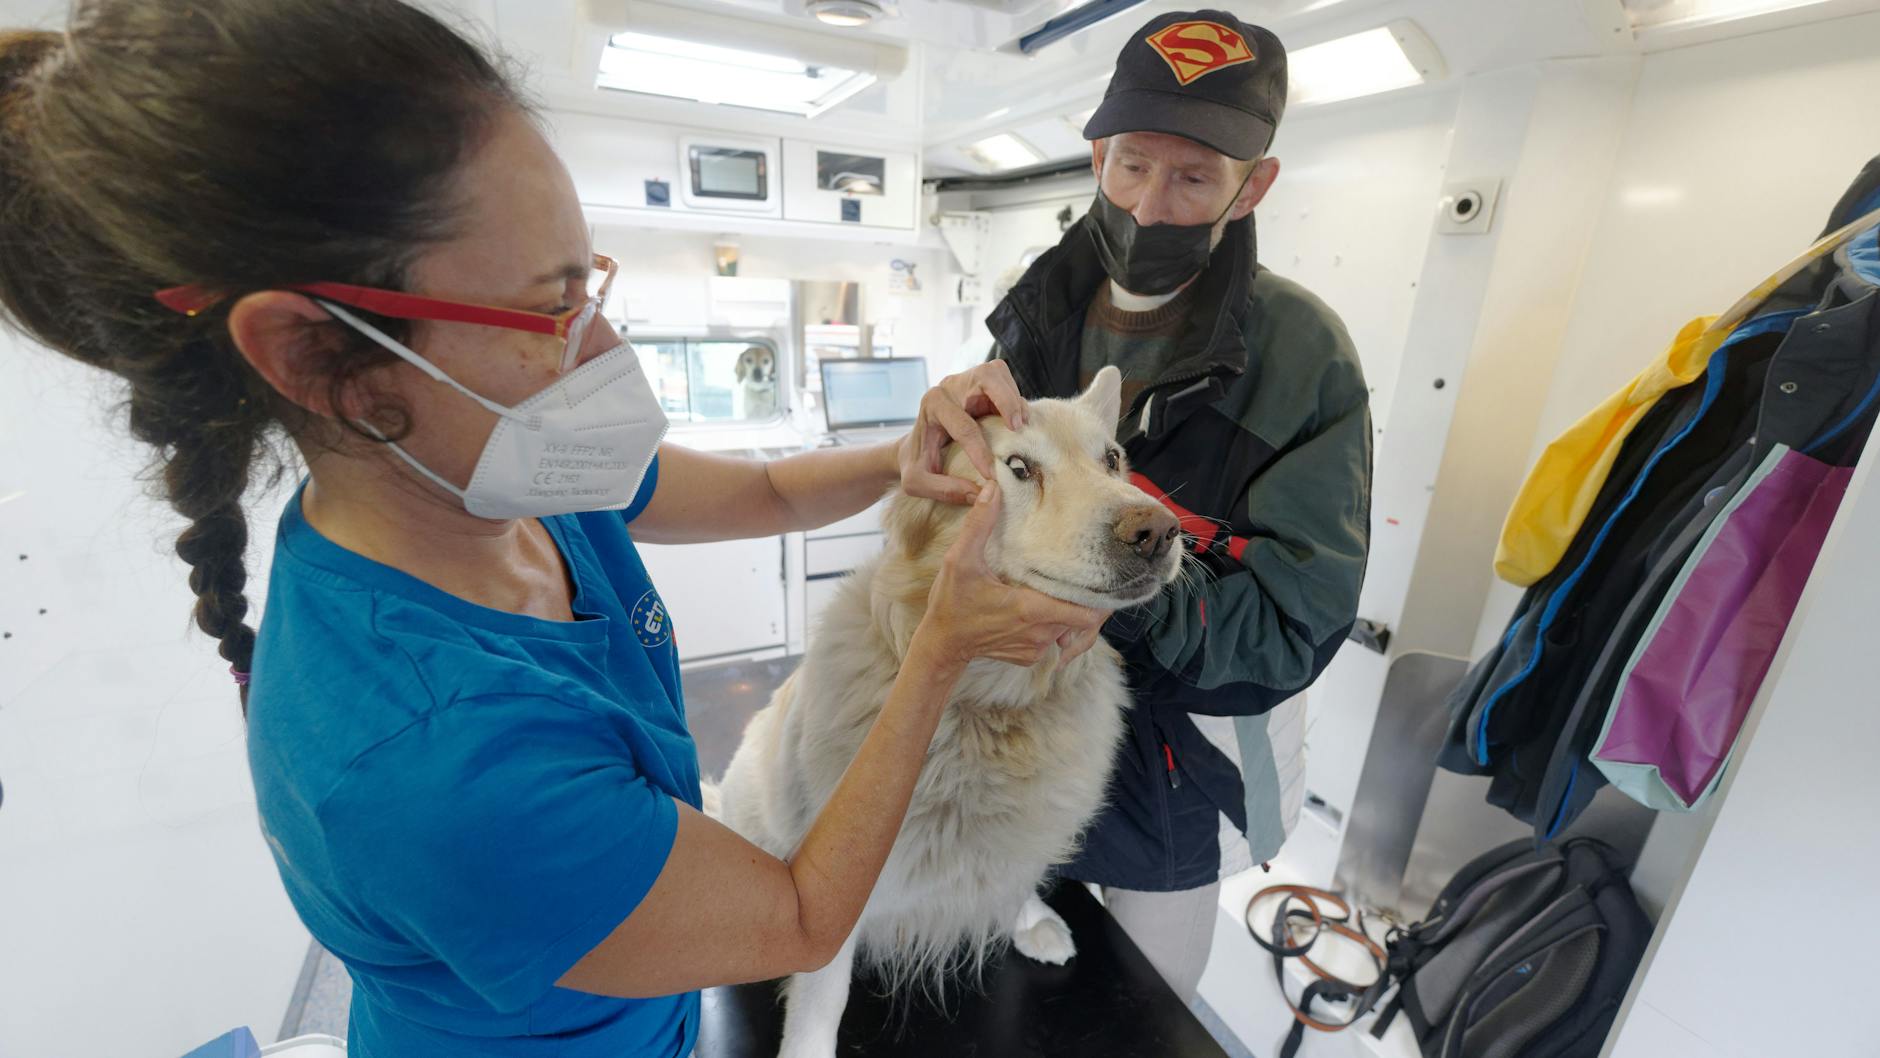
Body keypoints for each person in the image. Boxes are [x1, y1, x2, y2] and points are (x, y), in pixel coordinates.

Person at [0, 3, 1109, 1056]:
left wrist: (903, 455)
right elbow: (801, 918)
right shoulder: (434, 764)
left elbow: (767, 495)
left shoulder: (498, 472)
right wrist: (941, 648)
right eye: (548, 307)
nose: (604, 350)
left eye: (591, 285)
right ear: (312, 356)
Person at [988, 10, 1373, 1002]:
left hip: (1175, 752)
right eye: (1129, 165)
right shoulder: (1029, 318)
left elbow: (1293, 621)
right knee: (1004, 978)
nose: (1150, 204)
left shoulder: (1302, 355)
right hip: (1014, 718)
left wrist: (1114, 575)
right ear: (1094, 154)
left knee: (1147, 1000)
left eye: (1193, 176)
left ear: (1253, 185)